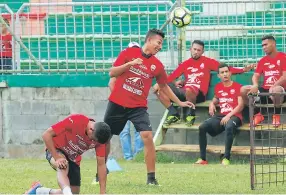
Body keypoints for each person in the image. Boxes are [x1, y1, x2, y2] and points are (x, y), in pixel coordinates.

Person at [104, 28, 194, 185]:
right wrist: (130, 64)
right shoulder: (128, 53)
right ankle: (101, 173)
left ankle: (151, 179)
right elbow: (112, 73)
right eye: (158, 43)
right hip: (117, 103)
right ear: (149, 40)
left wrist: (179, 103)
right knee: (105, 137)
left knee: (147, 137)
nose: (160, 46)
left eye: (162, 44)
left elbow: (164, 86)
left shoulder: (157, 65)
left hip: (138, 107)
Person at [153, 40, 253, 126]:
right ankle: (173, 113)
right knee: (158, 87)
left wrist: (243, 70)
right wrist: (170, 83)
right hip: (185, 92)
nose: (196, 52)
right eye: (194, 49)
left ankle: (191, 114)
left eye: (199, 50)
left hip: (198, 95)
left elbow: (225, 69)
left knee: (189, 89)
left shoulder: (207, 62)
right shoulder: (185, 64)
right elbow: (172, 77)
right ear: (190, 49)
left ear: (202, 51)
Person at [24, 114, 111, 195]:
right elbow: (46, 135)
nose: (94, 142)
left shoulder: (99, 138)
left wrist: (102, 192)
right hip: (56, 150)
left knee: (74, 193)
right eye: (94, 139)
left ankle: (39, 191)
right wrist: (57, 158)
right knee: (63, 164)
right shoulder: (77, 120)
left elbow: (101, 165)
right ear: (91, 130)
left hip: (73, 159)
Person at [195, 63, 244, 165]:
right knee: (202, 127)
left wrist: (228, 116)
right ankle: (203, 159)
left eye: (226, 72)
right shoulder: (218, 87)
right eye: (222, 72)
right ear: (218, 75)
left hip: (235, 116)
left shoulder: (238, 87)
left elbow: (240, 106)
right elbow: (216, 98)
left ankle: (226, 158)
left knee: (229, 126)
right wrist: (212, 103)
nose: (225, 74)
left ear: (230, 73)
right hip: (221, 116)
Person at [241, 35, 286, 127]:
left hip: (280, 93)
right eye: (262, 46)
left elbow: (285, 76)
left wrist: (274, 85)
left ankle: (276, 115)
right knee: (243, 90)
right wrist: (255, 85)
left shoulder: (283, 57)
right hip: (265, 94)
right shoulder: (262, 60)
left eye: (266, 44)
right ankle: (257, 115)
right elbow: (255, 75)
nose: (263, 47)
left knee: (276, 90)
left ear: (273, 44)